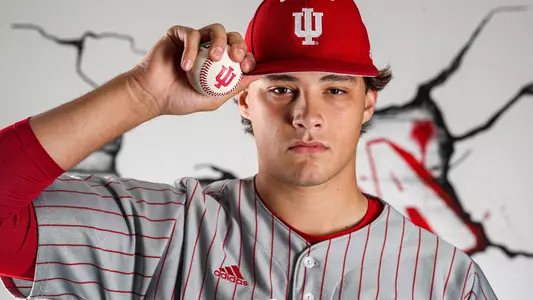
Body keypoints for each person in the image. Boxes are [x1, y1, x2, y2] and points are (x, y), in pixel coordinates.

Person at [0, 0, 497, 299]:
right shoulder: (167, 230)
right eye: (281, 88)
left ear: (370, 103)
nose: (307, 114)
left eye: (336, 89)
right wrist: (141, 94)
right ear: (242, 100)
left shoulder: (445, 280)